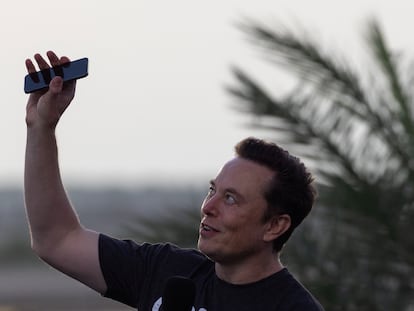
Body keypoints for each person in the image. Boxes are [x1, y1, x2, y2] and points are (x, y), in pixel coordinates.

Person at [24, 51, 324, 311]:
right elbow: (56, 239)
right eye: (212, 190)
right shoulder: (167, 271)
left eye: (231, 198)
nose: (209, 207)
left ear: (275, 226)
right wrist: (41, 127)